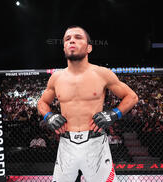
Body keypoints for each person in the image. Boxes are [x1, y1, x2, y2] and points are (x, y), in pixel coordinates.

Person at [37, 25, 138, 182]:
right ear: (64, 47)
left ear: (89, 48)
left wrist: (114, 113)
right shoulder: (56, 77)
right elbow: (42, 102)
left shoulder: (102, 73)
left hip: (95, 143)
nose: (72, 41)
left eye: (78, 37)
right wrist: (49, 116)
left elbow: (131, 97)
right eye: (67, 39)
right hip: (66, 144)